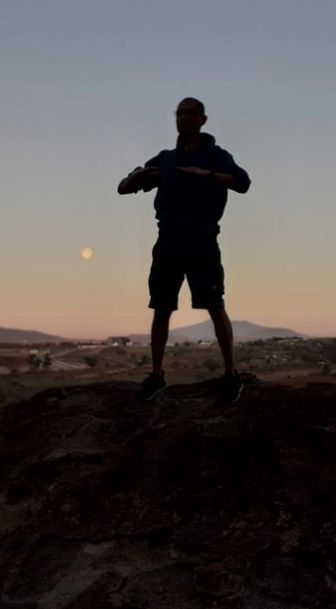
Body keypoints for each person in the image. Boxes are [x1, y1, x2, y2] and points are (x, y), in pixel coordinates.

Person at [117, 97, 251, 404]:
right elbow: (123, 187)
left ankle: (231, 375)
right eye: (179, 113)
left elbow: (243, 183)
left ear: (203, 119)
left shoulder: (217, 156)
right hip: (168, 241)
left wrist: (206, 175)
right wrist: (137, 177)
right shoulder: (165, 159)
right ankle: (157, 375)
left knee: (214, 304)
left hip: (202, 240)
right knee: (161, 307)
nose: (183, 118)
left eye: (190, 113)